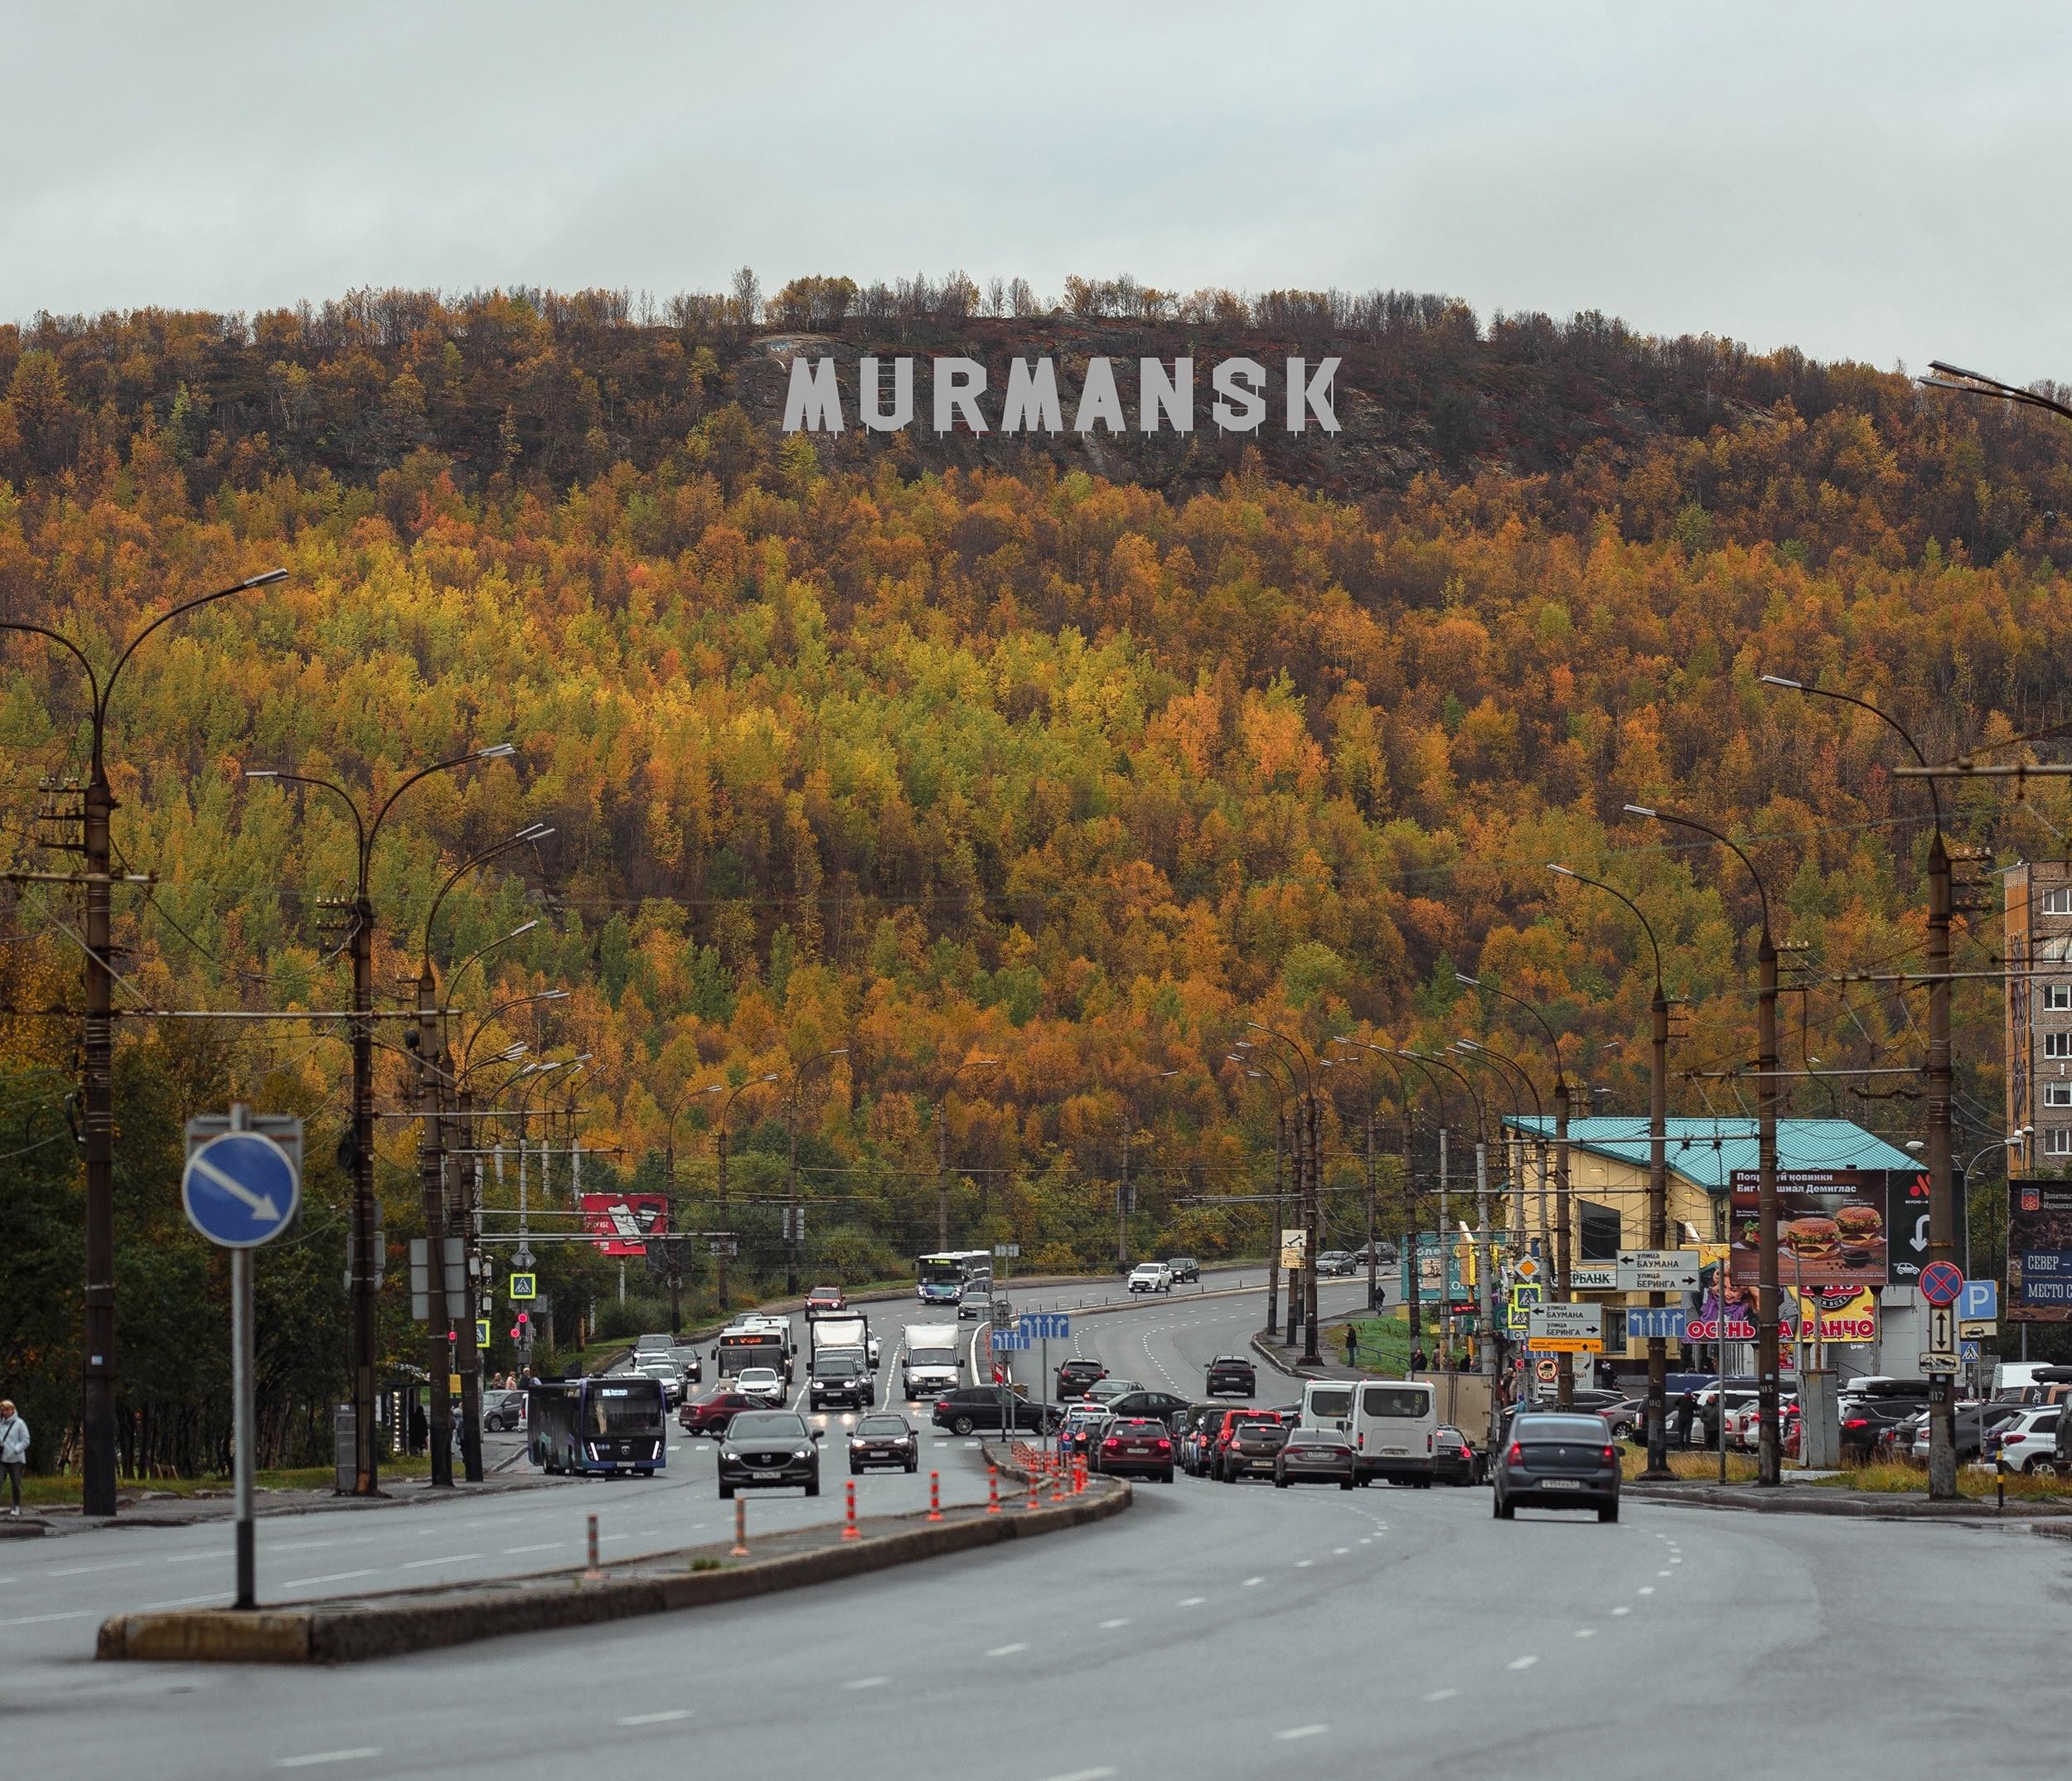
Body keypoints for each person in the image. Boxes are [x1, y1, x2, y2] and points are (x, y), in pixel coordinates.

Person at [0, 1399, 27, 1516]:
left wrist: (15, 1450)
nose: (4, 1412)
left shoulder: (19, 1423)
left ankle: (16, 1506)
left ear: (12, 1410)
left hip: (16, 1459)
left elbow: (26, 1440)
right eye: (2, 1410)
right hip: (1, 1458)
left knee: (16, 1483)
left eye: (7, 1410)